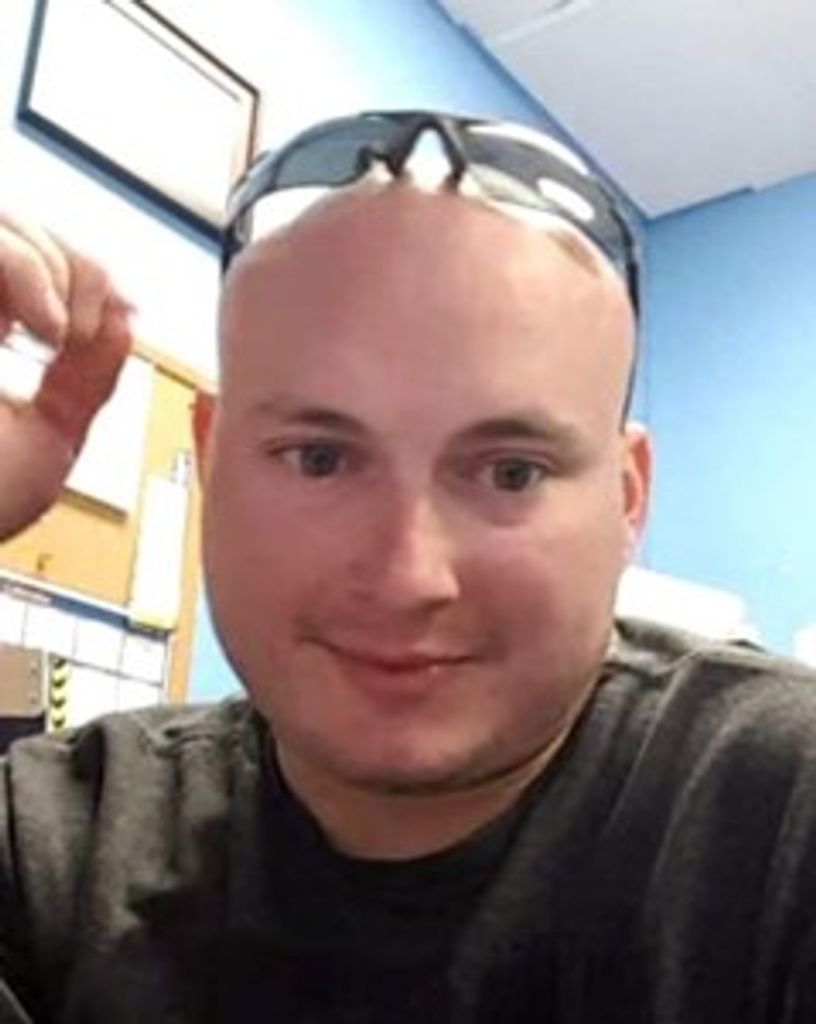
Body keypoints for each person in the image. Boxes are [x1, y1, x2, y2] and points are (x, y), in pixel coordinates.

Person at [1, 111, 816, 1023]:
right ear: (211, 459)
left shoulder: (784, 815)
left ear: (628, 500)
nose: (408, 576)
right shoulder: (51, 848)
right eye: (320, 459)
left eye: (510, 473)